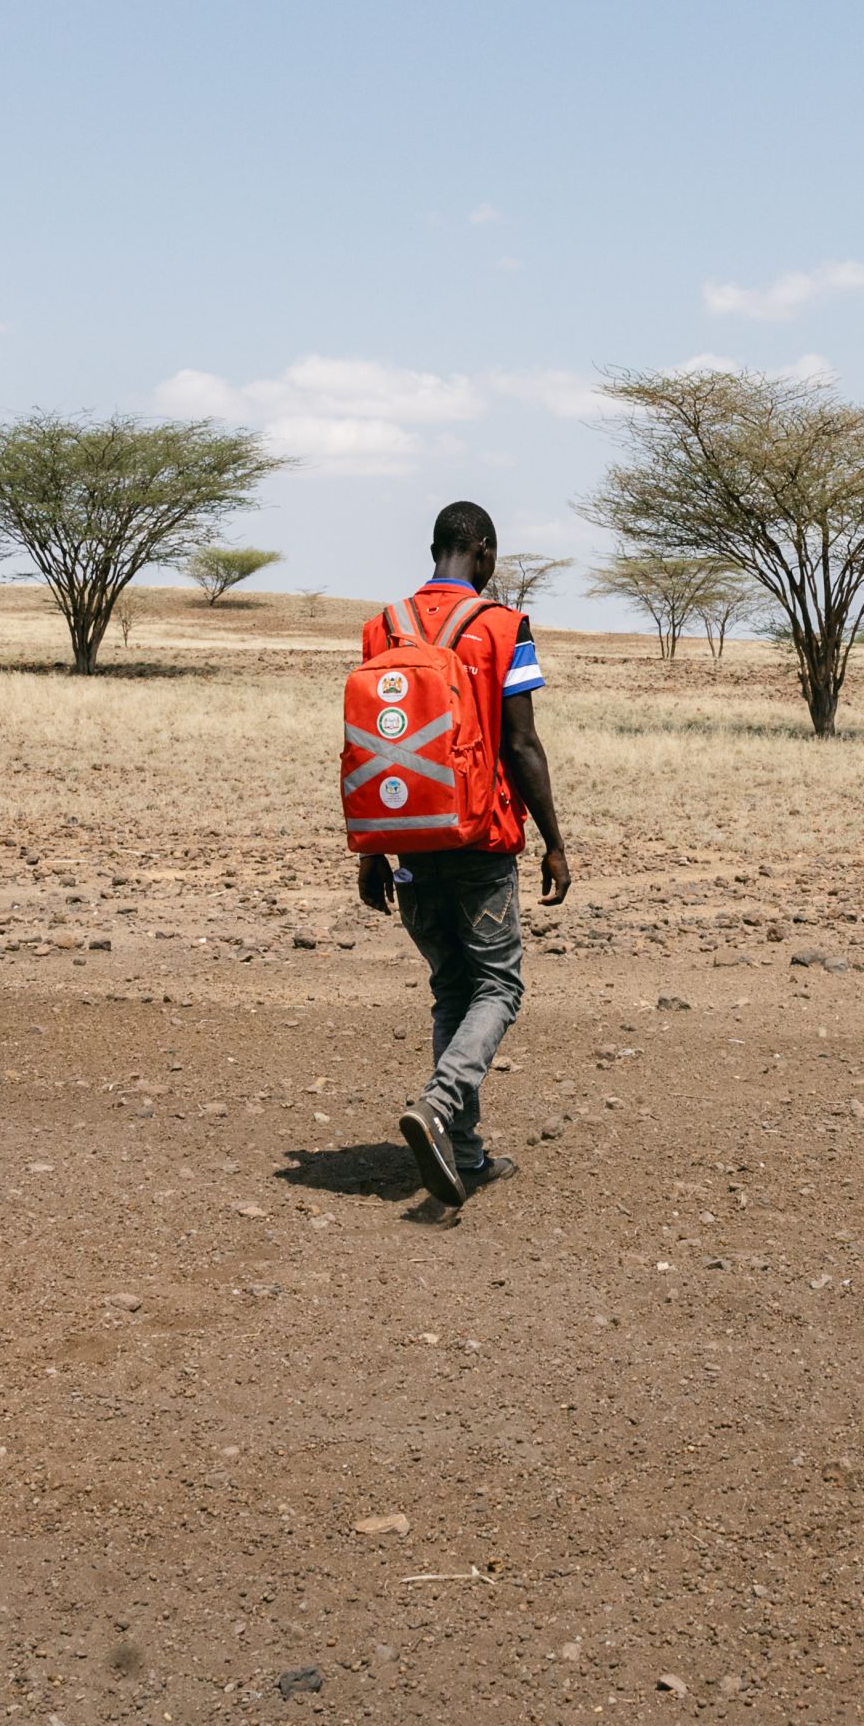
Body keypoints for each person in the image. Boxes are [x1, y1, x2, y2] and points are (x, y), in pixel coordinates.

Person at [359, 500, 571, 1208]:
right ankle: (439, 1104)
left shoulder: (383, 626)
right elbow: (521, 743)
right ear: (482, 552)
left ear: (433, 550)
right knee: (499, 987)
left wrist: (371, 851)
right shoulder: (504, 627)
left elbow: (374, 740)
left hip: (406, 842)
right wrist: (554, 842)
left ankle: (467, 1154)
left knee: (453, 986)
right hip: (479, 838)